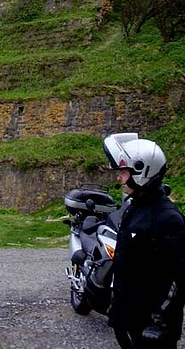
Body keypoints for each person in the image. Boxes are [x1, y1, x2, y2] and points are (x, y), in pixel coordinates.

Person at [104, 133, 185, 348]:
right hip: (130, 316)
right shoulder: (135, 207)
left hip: (153, 328)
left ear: (142, 170)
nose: (119, 178)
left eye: (123, 171)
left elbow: (178, 276)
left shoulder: (167, 218)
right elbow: (128, 261)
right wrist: (117, 304)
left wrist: (158, 321)